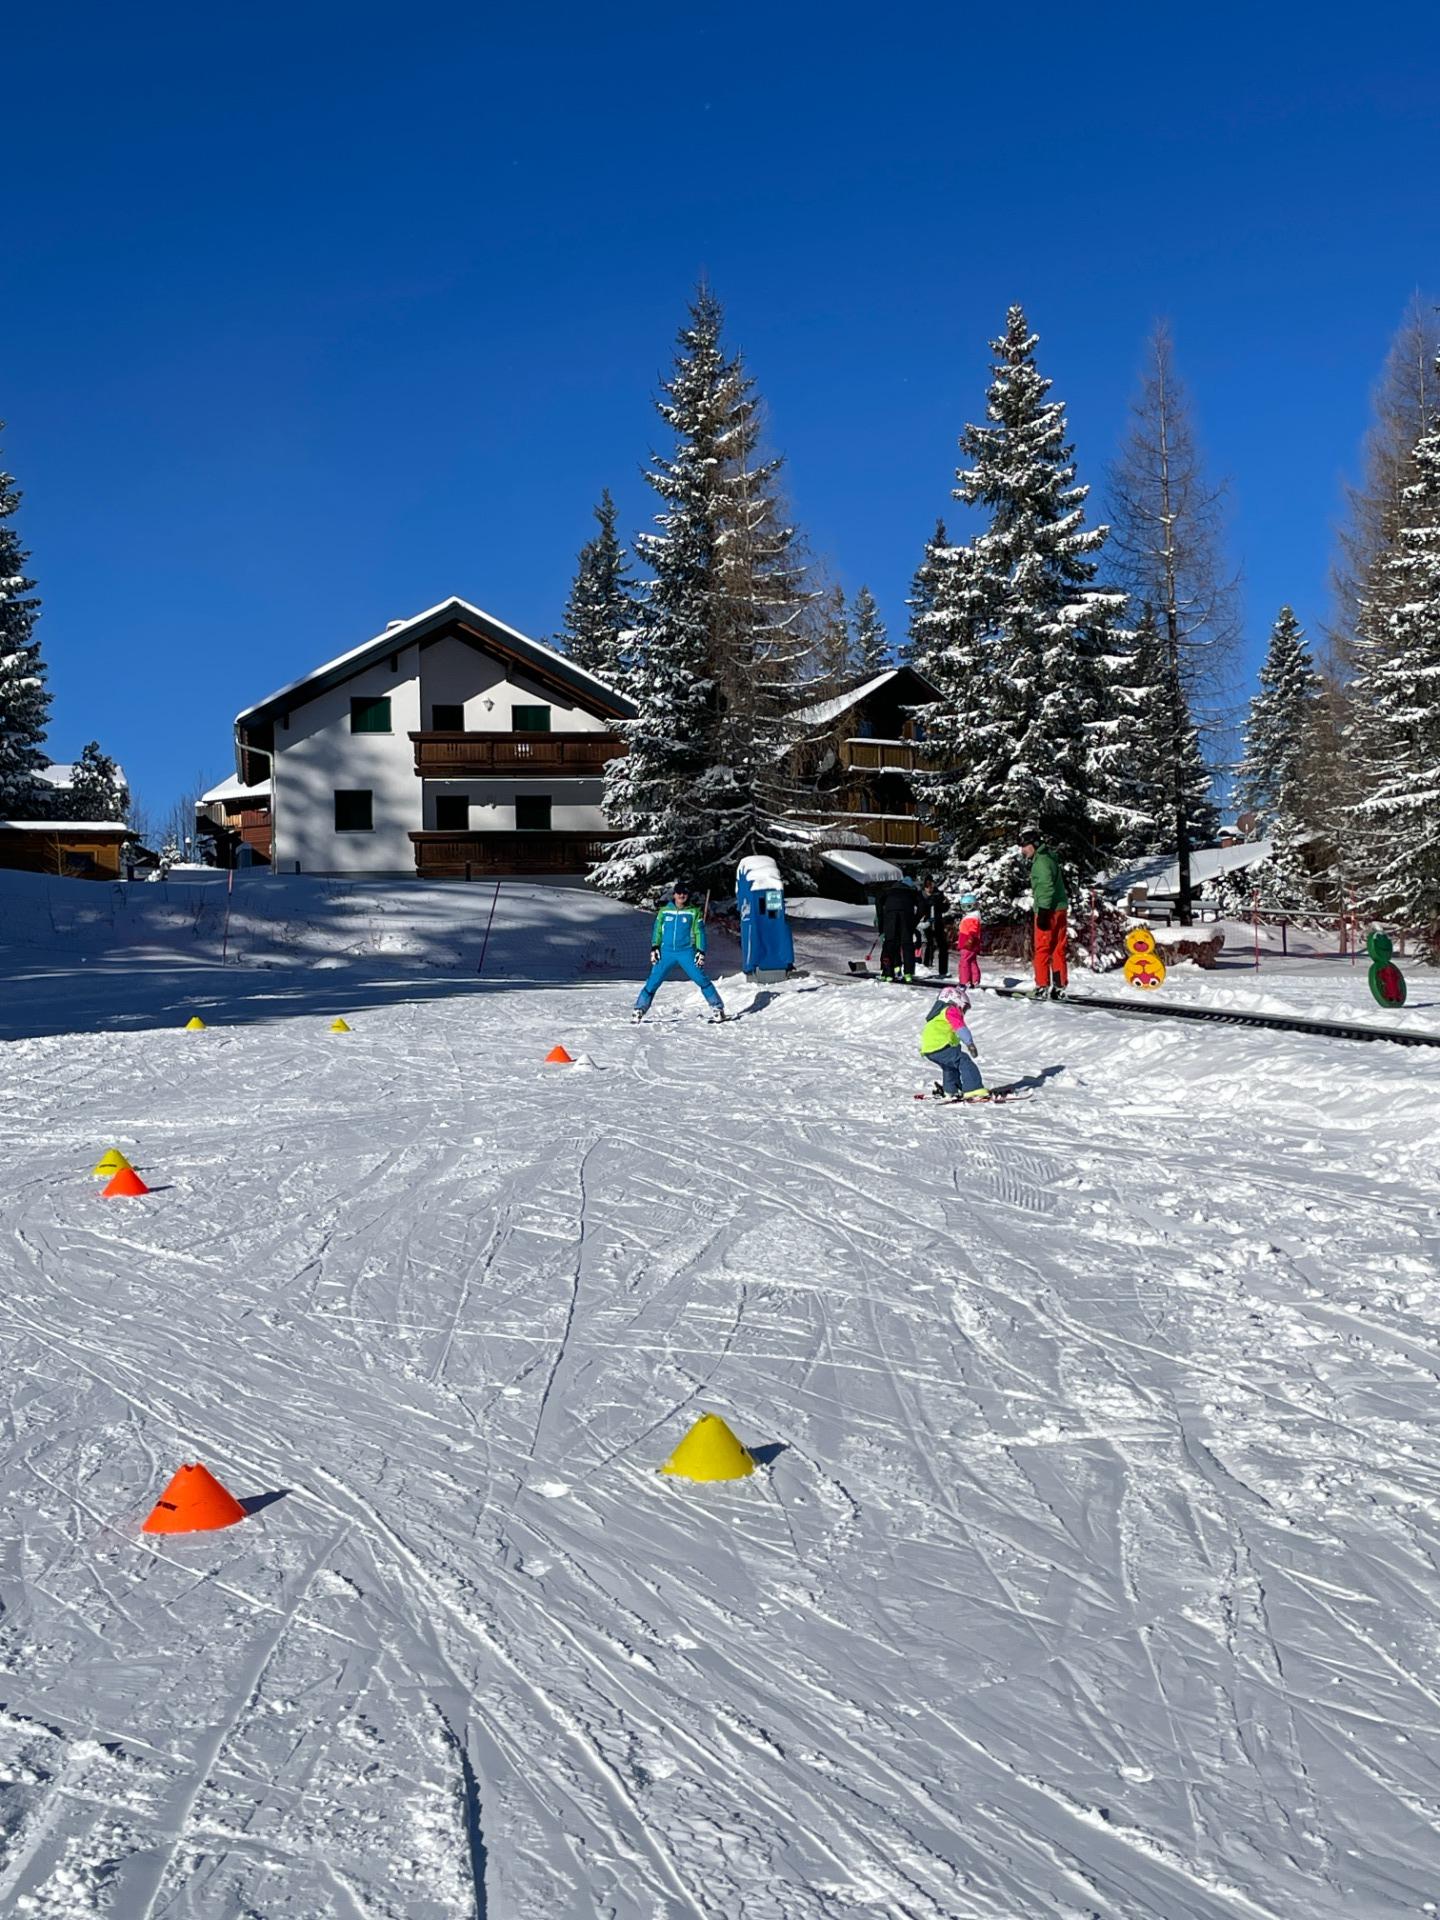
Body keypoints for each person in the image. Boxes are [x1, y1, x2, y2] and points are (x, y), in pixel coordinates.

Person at [634, 884, 726, 1022]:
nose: (681, 896)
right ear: (674, 895)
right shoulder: (664, 911)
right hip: (666, 952)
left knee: (701, 979)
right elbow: (657, 930)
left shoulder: (693, 912)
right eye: (679, 893)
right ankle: (639, 1009)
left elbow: (699, 933)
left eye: (684, 893)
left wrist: (700, 951)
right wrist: (655, 947)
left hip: (686, 952)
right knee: (653, 981)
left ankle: (717, 1008)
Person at [1019, 828, 1069, 997]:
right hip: (1060, 908)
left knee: (1042, 948)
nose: (1023, 850)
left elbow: (1046, 887)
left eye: (1025, 846)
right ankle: (1059, 986)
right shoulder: (1049, 858)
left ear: (1034, 844)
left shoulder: (1040, 863)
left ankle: (1042, 986)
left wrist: (1043, 911)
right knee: (1057, 948)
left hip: (1048, 910)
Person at [918, 986, 989, 1102]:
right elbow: (960, 1027)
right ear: (956, 1000)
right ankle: (973, 1089)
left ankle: (951, 1090)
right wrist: (970, 1043)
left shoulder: (938, 1014)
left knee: (949, 1067)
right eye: (964, 1008)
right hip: (939, 1046)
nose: (963, 1012)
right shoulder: (951, 1009)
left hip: (930, 1049)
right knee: (963, 1060)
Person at [877, 878, 922, 982]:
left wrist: (881, 927)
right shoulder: (911, 892)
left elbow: (879, 904)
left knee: (889, 944)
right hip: (906, 916)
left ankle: (888, 973)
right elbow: (922, 907)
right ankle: (908, 973)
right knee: (907, 944)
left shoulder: (888, 891)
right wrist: (914, 922)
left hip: (890, 916)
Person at [919, 875, 950, 977]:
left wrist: (940, 904)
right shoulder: (921, 895)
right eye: (928, 886)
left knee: (942, 946)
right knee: (929, 944)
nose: (930, 888)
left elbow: (945, 907)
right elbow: (920, 909)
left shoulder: (939, 894)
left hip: (938, 922)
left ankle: (943, 970)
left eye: (931, 885)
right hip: (927, 922)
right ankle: (926, 966)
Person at [955, 891, 983, 987]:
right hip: (970, 943)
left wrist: (970, 939)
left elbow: (973, 930)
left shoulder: (972, 917)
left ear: (974, 906)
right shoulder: (973, 916)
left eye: (969, 906)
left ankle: (964, 981)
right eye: (964, 907)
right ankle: (975, 980)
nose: (966, 910)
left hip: (968, 943)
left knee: (964, 962)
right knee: (971, 961)